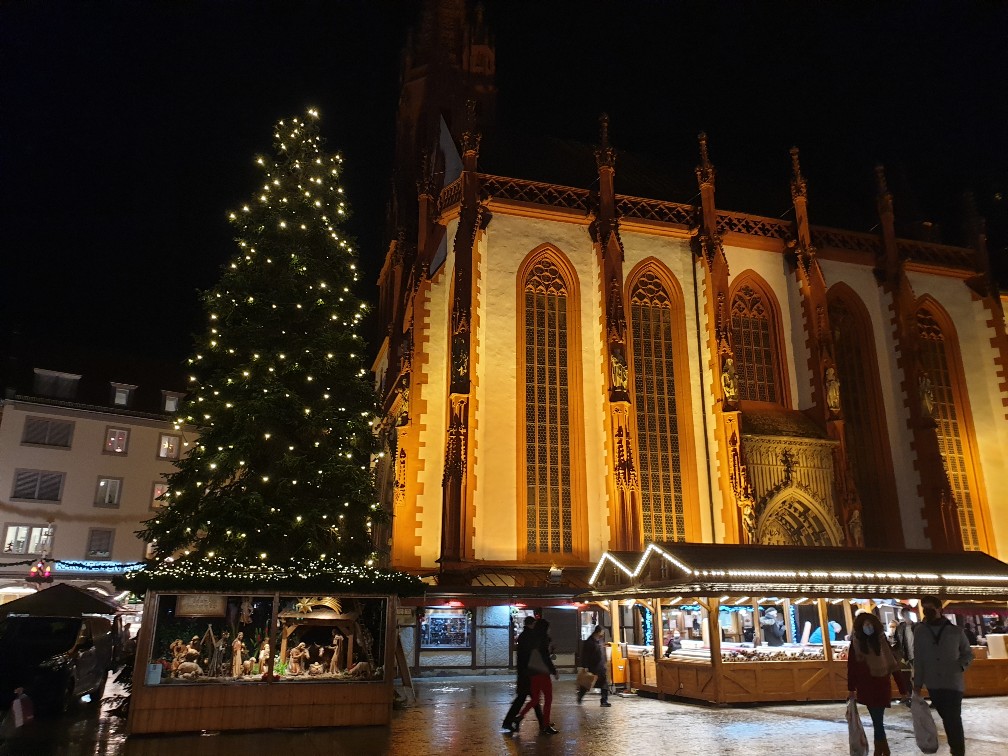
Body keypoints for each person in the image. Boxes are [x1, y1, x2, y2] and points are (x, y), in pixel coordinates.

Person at [914, 596, 974, 756]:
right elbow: (918, 657)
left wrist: (960, 666)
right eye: (924, 607)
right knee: (946, 716)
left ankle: (957, 750)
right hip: (933, 682)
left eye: (930, 607)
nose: (927, 610)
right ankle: (955, 747)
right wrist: (917, 684)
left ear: (939, 609)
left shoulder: (955, 631)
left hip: (953, 681)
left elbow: (968, 654)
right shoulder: (920, 631)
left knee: (953, 717)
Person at [847, 612, 900, 756]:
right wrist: (851, 688)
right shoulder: (856, 643)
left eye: (870, 624)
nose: (868, 627)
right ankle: (882, 749)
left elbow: (893, 664)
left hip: (882, 685)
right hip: (867, 686)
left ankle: (881, 749)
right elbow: (852, 667)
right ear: (860, 627)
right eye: (865, 624)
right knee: (877, 719)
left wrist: (903, 688)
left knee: (878, 719)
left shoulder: (882, 642)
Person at [516, 618, 559, 735]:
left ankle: (520, 716)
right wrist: (554, 671)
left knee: (535, 699)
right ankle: (546, 725)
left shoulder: (532, 638)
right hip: (542, 673)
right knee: (548, 699)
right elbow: (545, 657)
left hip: (532, 672)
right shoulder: (543, 639)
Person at [502, 616, 544, 732]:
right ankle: (510, 721)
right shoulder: (529, 637)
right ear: (532, 624)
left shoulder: (523, 636)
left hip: (524, 674)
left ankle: (510, 722)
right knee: (530, 700)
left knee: (527, 700)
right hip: (529, 675)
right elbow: (532, 656)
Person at [578, 625, 611, 706]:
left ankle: (604, 700)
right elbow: (585, 655)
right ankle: (580, 695)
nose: (603, 634)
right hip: (593, 666)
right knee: (588, 682)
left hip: (600, 666)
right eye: (602, 631)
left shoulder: (598, 640)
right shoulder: (589, 642)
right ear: (599, 631)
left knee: (604, 683)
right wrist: (585, 666)